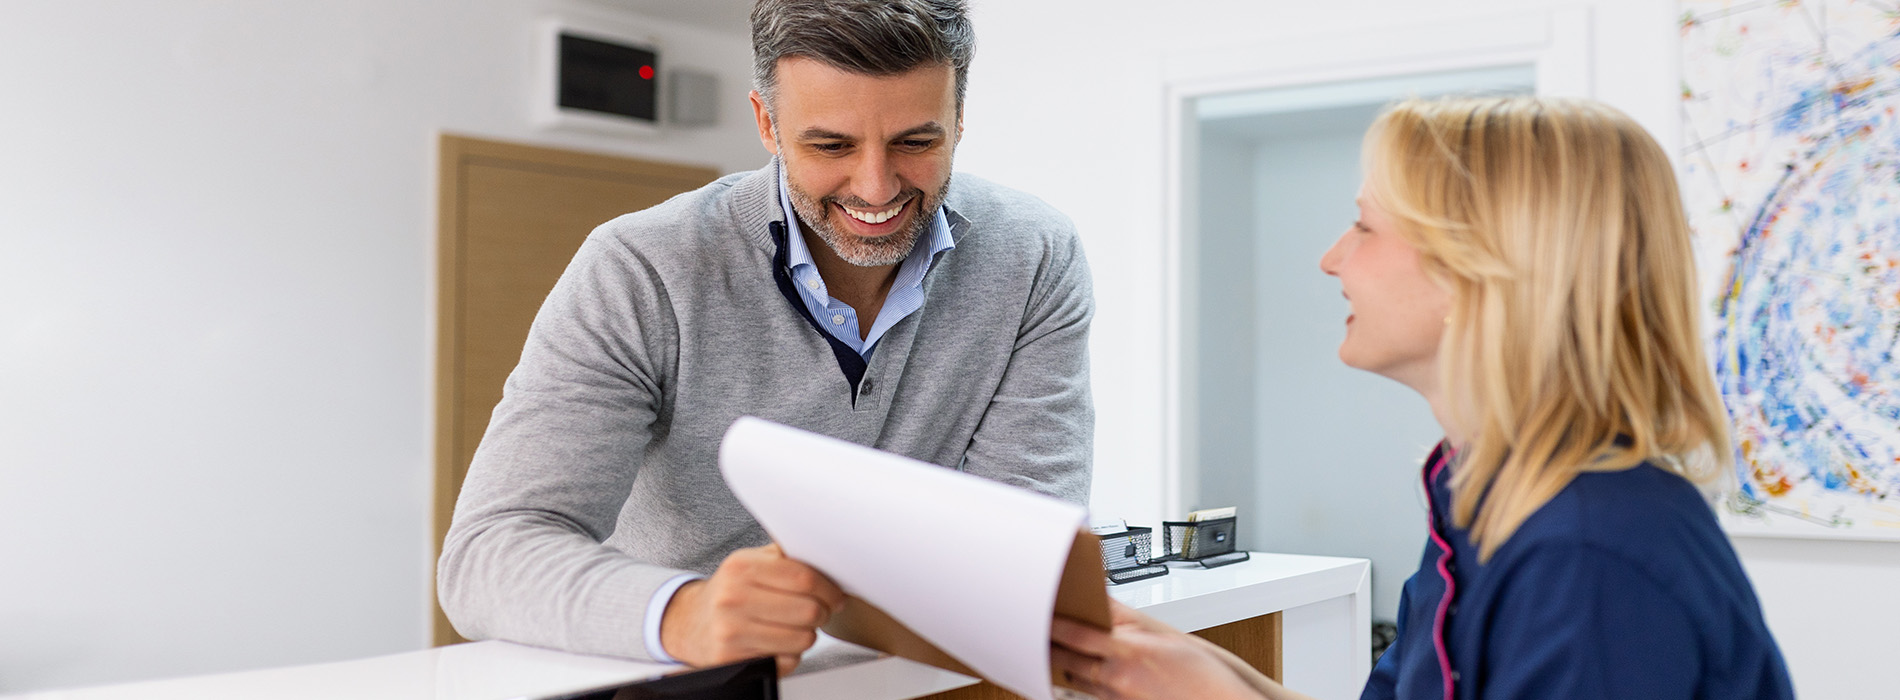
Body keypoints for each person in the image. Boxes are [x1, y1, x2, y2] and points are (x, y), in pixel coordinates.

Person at [1050, 96, 1794, 699]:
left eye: (1365, 225)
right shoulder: (1480, 501)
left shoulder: (1586, 555)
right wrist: (1205, 673)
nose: (1331, 257)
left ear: (1480, 271)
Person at [437, 0, 1094, 675]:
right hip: (692, 682)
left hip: (913, 676)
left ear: (958, 120)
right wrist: (684, 612)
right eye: (830, 145)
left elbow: (1028, 539)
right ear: (766, 124)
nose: (875, 186)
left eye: (916, 142)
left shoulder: (1034, 253)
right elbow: (489, 554)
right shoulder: (640, 268)